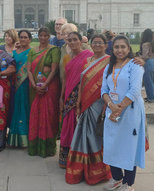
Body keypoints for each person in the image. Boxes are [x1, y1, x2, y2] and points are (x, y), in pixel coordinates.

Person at [101, 35, 145, 191]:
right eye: (116, 47)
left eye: (123, 47)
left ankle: (128, 183)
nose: (119, 50)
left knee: (129, 146)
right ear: (112, 49)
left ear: (128, 48)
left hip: (130, 111)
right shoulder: (109, 66)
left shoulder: (135, 65)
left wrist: (119, 108)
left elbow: (135, 90)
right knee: (112, 144)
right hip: (112, 111)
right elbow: (104, 90)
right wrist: (112, 106)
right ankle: (117, 178)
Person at [66, 34, 111, 185]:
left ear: (105, 45)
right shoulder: (86, 62)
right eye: (95, 43)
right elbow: (81, 84)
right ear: (90, 45)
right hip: (85, 104)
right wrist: (78, 104)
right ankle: (81, 169)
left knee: (96, 136)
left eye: (100, 43)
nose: (97, 45)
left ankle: (99, 170)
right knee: (83, 136)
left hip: (100, 104)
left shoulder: (110, 61)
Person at [59, 31, 94, 168]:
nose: (72, 42)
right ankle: (66, 158)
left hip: (82, 95)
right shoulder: (67, 58)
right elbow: (65, 79)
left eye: (75, 39)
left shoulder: (88, 56)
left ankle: (79, 158)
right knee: (67, 125)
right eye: (69, 40)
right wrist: (61, 98)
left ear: (81, 41)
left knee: (78, 125)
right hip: (68, 94)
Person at [27, 27, 61, 158]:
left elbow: (54, 69)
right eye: (40, 35)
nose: (42, 38)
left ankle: (48, 147)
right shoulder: (32, 51)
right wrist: (34, 85)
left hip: (50, 86)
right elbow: (29, 70)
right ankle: (35, 146)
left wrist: (45, 85)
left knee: (49, 115)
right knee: (36, 114)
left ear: (49, 36)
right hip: (35, 86)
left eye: (45, 35)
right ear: (38, 36)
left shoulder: (54, 50)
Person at [7, 30, 32, 147]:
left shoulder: (32, 52)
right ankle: (15, 139)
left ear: (29, 39)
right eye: (21, 37)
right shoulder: (14, 53)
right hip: (15, 85)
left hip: (27, 84)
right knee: (16, 108)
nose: (22, 39)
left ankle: (26, 138)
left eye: (25, 37)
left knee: (26, 108)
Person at [140, 29, 154, 103]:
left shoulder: (145, 44)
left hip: (148, 63)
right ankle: (151, 96)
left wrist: (139, 56)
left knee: (148, 82)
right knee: (153, 82)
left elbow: (145, 56)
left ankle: (150, 98)